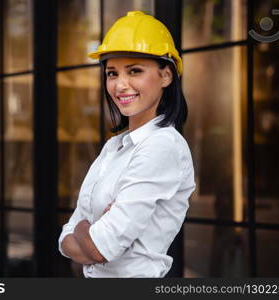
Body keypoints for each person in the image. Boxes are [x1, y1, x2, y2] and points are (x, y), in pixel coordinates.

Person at [58, 11, 196, 278]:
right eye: (112, 73)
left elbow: (99, 249)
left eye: (134, 70)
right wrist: (85, 229)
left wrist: (84, 229)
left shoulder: (162, 147)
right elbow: (64, 240)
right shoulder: (114, 148)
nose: (120, 85)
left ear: (166, 76)